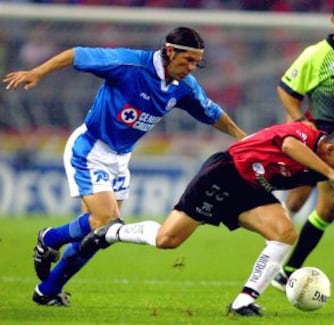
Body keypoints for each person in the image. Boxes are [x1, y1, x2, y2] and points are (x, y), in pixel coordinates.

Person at [2, 26, 246, 306]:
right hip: (91, 148)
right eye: (187, 60)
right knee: (108, 223)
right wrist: (38, 72)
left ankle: (47, 290)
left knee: (98, 234)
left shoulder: (183, 87)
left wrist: (242, 137)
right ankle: (51, 239)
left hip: (121, 158)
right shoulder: (129, 63)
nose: (191, 68)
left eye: (196, 62)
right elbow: (77, 54)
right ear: (169, 51)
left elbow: (212, 112)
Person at [80, 122, 334, 317]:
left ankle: (244, 301)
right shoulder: (303, 135)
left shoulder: (332, 168)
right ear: (332, 150)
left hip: (252, 189)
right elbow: (288, 146)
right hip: (225, 173)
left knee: (284, 231)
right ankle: (112, 232)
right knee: (166, 240)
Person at [270, 0, 334, 296]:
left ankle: (288, 271)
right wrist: (299, 121)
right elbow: (286, 90)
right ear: (333, 20)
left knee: (327, 212)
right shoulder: (315, 55)